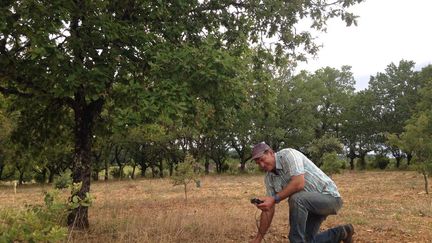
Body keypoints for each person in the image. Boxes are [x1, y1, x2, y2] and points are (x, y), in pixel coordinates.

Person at [250, 142, 354, 243]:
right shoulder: (269, 178)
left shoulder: (288, 155)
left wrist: (274, 199)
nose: (261, 165)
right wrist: (258, 238)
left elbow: (299, 183)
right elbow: (269, 208)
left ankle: (296, 240)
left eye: (262, 160)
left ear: (271, 153)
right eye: (258, 163)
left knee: (296, 198)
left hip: (330, 198)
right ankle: (343, 232)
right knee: (307, 240)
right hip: (309, 207)